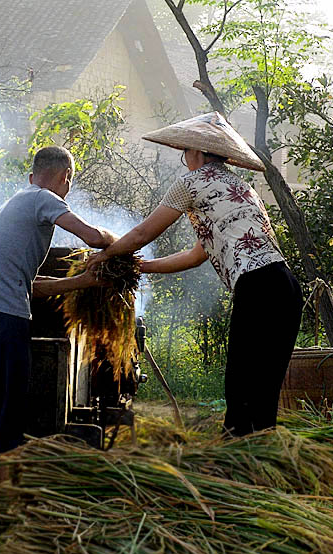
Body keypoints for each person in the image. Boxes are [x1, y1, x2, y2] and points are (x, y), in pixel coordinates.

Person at [87, 112, 302, 437]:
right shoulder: (238, 185)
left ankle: (236, 465)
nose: (184, 159)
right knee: (264, 390)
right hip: (285, 286)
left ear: (198, 153)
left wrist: (105, 255)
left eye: (185, 152)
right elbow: (195, 256)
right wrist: (141, 267)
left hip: (257, 286)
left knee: (241, 385)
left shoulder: (190, 183)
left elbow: (143, 234)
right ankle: (260, 464)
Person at [0, 145, 117, 505]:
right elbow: (93, 238)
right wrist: (117, 245)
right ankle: (9, 511)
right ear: (65, 178)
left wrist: (84, 282)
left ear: (32, 174)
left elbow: (29, 286)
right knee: (10, 426)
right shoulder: (44, 197)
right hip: (3, 325)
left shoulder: (10, 205)